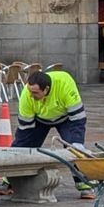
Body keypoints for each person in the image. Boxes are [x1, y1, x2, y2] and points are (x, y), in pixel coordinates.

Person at [7, 70, 93, 199]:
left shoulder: (65, 85)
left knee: (74, 148)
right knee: (21, 146)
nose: (31, 95)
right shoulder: (26, 94)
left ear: (46, 89)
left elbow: (78, 119)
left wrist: (77, 141)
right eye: (30, 92)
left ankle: (84, 184)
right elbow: (25, 128)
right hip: (39, 119)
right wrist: (23, 146)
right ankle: (9, 181)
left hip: (66, 118)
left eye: (35, 93)